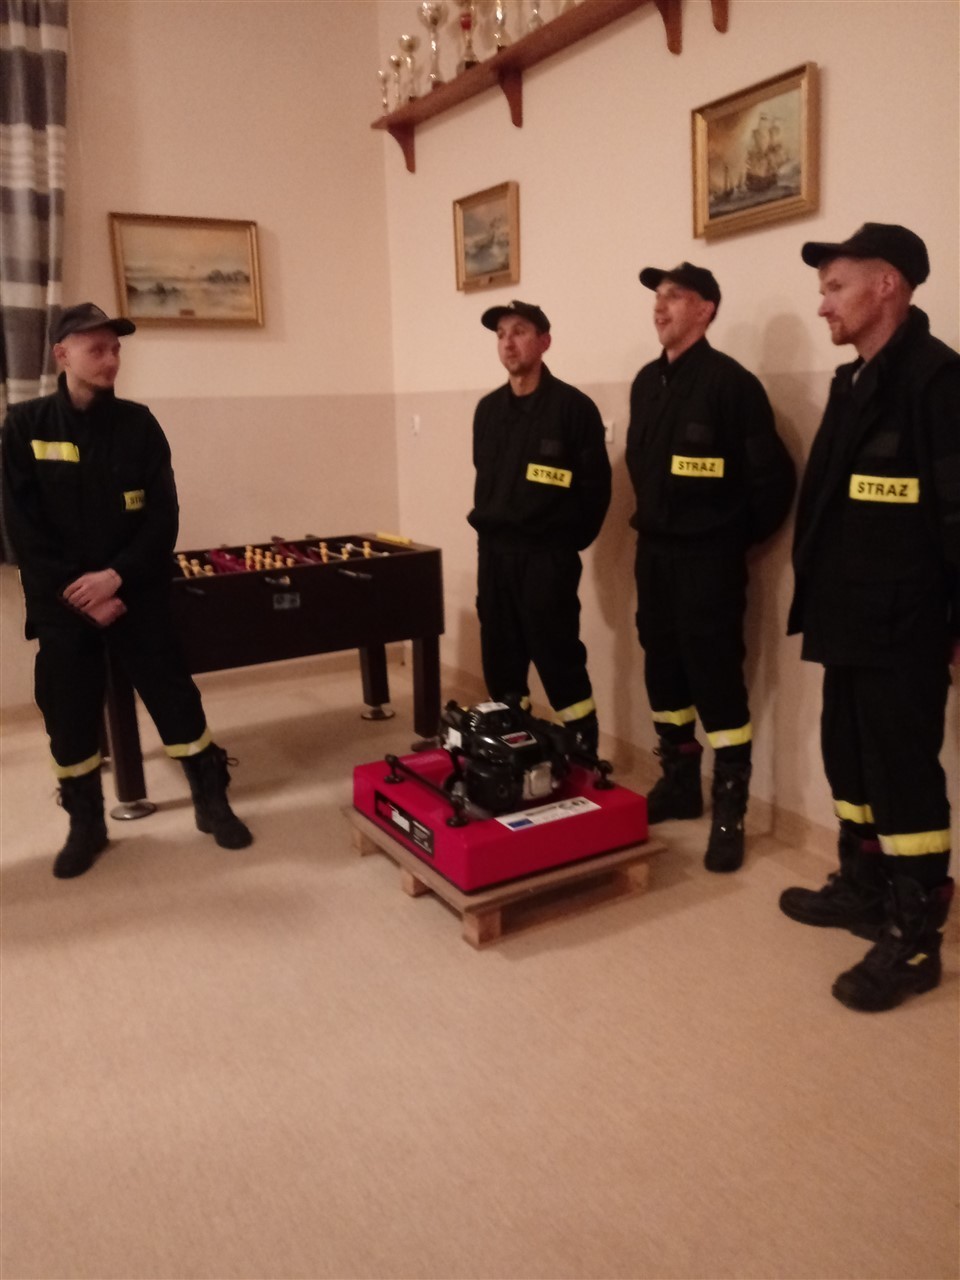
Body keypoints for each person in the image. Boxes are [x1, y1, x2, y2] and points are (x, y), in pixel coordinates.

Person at [1, 302, 252, 879]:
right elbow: (21, 528)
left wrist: (115, 578)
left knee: (175, 698)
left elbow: (162, 517)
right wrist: (81, 592)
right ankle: (85, 823)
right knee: (69, 714)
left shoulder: (139, 425)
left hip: (135, 592)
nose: (111, 359)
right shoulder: (25, 425)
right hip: (63, 604)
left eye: (116, 349)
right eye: (97, 349)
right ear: (62, 355)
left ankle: (211, 800)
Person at [780, 223, 958, 1011]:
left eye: (835, 287)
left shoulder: (938, 381)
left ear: (887, 286)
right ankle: (865, 884)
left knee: (903, 775)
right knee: (847, 758)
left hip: (905, 624)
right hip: (847, 616)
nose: (823, 305)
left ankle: (916, 938)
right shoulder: (854, 382)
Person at [627, 263, 796, 871]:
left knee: (717, 682)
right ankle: (679, 784)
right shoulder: (647, 383)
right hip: (656, 556)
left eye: (675, 296)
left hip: (708, 561)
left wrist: (728, 539)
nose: (660, 306)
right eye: (658, 296)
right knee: (664, 672)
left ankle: (730, 812)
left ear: (706, 309)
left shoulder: (733, 385)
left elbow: (773, 482)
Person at [468, 300, 611, 754]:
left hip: (547, 559)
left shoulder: (573, 409)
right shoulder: (488, 411)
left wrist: (561, 544)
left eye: (519, 331)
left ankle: (583, 752)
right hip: (494, 556)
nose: (508, 342)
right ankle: (515, 751)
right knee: (501, 662)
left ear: (544, 341)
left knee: (558, 658)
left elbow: (595, 491)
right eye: (500, 334)